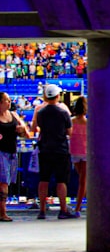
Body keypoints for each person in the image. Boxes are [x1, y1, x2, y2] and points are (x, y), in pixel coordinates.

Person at [31, 84, 75, 219]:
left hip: (45, 148)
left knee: (43, 179)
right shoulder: (63, 112)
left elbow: (34, 127)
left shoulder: (40, 112)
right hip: (60, 149)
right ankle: (63, 210)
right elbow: (70, 132)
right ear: (57, 96)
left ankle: (42, 211)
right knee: (61, 180)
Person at [0, 92, 29, 222]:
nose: (9, 102)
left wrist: (22, 129)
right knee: (3, 183)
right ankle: (2, 212)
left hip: (12, 152)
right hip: (1, 152)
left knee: (8, 182)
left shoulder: (13, 115)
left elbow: (27, 134)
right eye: (6, 100)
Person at [69, 97, 88, 215]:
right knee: (83, 180)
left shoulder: (71, 121)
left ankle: (78, 206)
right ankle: (78, 206)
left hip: (74, 151)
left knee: (82, 179)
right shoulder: (88, 123)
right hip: (85, 152)